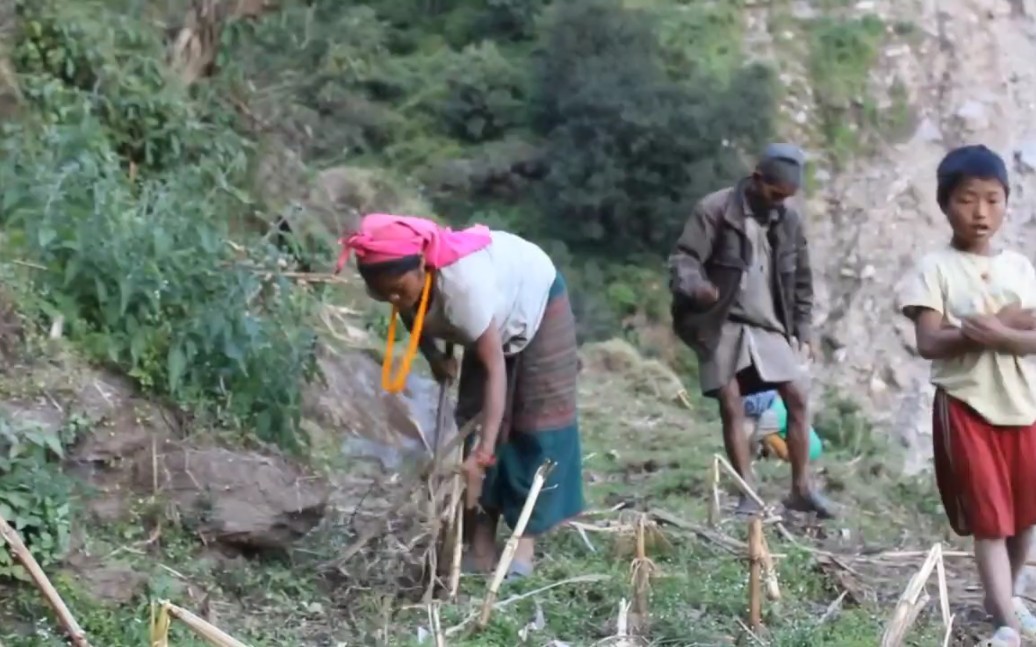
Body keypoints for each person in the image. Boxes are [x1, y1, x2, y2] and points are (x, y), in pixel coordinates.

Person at [336, 213, 585, 579]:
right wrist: (435, 357)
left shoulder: (463, 291)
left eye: (400, 289)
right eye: (382, 292)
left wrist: (484, 455)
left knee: (535, 426)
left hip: (535, 300)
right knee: (472, 416)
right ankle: (478, 546)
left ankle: (522, 546)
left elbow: (494, 370)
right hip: (488, 315)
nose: (393, 297)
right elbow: (408, 311)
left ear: (422, 265)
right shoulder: (400, 284)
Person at [899, 144, 1036, 647]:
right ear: (944, 203)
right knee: (991, 519)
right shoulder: (934, 268)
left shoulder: (1021, 267)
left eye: (993, 200)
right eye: (966, 200)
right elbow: (929, 341)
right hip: (967, 405)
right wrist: (1007, 324)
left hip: (1024, 406)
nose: (981, 213)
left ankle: (1008, 599)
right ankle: (1004, 621)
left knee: (1025, 518)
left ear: (1007, 202)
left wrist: (996, 331)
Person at [667, 142, 835, 518]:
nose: (779, 203)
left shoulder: (788, 221)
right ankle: (746, 493)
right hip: (720, 321)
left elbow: (802, 280)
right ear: (757, 180)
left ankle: (801, 488)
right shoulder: (715, 210)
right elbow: (684, 259)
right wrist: (696, 287)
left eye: (787, 198)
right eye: (774, 194)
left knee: (797, 396)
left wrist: (803, 329)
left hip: (769, 324)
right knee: (732, 403)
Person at [742, 390, 823, 463]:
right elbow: (764, 437)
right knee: (742, 437)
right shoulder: (778, 420)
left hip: (769, 399)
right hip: (762, 406)